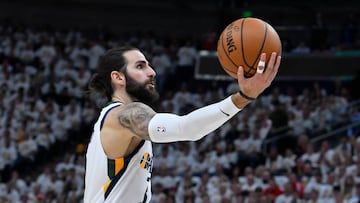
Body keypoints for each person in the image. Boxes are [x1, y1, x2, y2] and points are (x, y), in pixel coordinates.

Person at [83, 46, 281, 203]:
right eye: (140, 66)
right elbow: (185, 128)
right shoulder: (123, 115)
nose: (152, 72)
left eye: (149, 65)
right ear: (118, 77)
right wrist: (243, 97)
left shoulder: (111, 118)